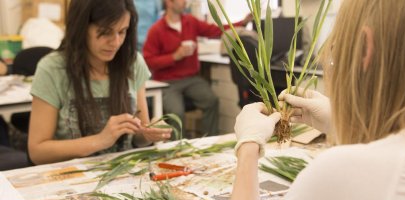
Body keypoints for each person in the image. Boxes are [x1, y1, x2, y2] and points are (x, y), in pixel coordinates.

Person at [226, 0, 405, 200]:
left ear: (365, 48)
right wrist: (338, 122)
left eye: (337, 51)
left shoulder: (344, 174)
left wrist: (248, 147)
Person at [28, 0, 172, 165]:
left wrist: (148, 133)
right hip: (71, 177)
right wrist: (100, 140)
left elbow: (138, 139)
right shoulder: (52, 69)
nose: (116, 42)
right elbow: (37, 152)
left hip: (123, 173)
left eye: (122, 31)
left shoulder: (132, 62)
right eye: (105, 32)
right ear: (81, 28)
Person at [143, 0, 252, 138]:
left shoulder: (191, 21)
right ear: (169, 3)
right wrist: (175, 56)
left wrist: (242, 23)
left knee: (211, 100)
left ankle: (208, 141)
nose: (185, 2)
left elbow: (215, 30)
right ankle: (178, 148)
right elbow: (149, 61)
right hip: (167, 82)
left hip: (191, 79)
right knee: (176, 112)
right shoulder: (156, 29)